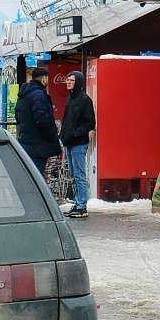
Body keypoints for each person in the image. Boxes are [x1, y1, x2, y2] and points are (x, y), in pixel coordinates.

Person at [59, 70, 96, 219]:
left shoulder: (85, 100)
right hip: (69, 142)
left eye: (72, 80)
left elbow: (90, 122)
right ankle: (77, 202)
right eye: (68, 80)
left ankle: (82, 206)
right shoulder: (70, 98)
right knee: (73, 175)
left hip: (79, 143)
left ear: (79, 82)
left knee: (80, 175)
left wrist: (75, 133)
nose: (68, 82)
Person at [14, 67, 61, 179]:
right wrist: (53, 131)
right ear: (44, 78)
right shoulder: (38, 95)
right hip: (39, 146)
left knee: (29, 177)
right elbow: (43, 121)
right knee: (37, 178)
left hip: (26, 143)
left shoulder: (23, 95)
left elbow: (18, 117)